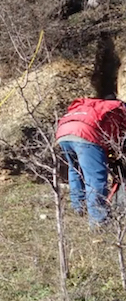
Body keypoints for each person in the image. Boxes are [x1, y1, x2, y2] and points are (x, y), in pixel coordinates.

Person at [55, 96, 126, 227]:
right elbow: (120, 137)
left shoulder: (93, 105)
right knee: (95, 177)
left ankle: (79, 207)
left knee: (75, 169)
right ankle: (98, 221)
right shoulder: (120, 109)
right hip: (86, 134)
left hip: (63, 132)